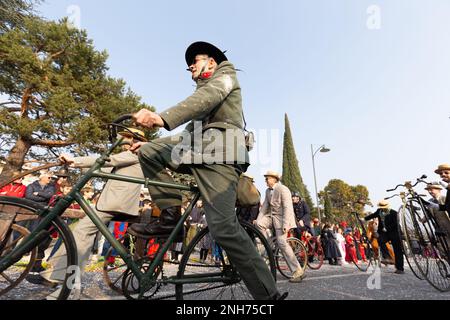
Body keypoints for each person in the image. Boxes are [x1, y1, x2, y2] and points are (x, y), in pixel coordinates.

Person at [127, 42, 284, 300]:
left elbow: (206, 98)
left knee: (222, 227)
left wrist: (161, 118)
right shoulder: (204, 95)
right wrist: (153, 144)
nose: (190, 66)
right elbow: (191, 130)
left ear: (211, 62)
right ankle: (170, 218)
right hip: (198, 148)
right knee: (148, 152)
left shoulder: (225, 76)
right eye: (188, 65)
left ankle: (267, 294)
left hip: (220, 154)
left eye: (195, 61)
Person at [28, 128, 147, 298]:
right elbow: (102, 168)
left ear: (135, 140)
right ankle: (57, 277)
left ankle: (69, 286)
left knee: (81, 234)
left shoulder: (135, 154)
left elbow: (107, 161)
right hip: (111, 202)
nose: (122, 142)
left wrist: (73, 160)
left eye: (126, 139)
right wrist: (76, 166)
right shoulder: (128, 157)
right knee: (78, 233)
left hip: (115, 203)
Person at [255, 171, 306, 282]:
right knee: (259, 224)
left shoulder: (283, 189)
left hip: (283, 220)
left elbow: (288, 207)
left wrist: (286, 225)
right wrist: (258, 220)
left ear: (274, 179)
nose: (265, 181)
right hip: (271, 217)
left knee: (282, 243)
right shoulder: (267, 191)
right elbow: (264, 207)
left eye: (267, 178)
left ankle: (297, 271)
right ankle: (269, 245)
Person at [364, 200, 404, 274]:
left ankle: (400, 268)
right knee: (380, 240)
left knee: (398, 250)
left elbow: (396, 224)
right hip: (384, 233)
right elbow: (373, 215)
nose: (382, 208)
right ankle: (387, 257)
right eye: (381, 207)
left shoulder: (394, 213)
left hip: (394, 232)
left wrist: (387, 228)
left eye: (384, 207)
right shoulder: (379, 211)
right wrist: (365, 218)